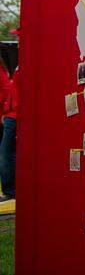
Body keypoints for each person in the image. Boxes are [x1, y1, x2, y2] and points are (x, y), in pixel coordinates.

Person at [0, 62, 14, 201]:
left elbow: (6, 90)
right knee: (7, 154)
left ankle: (9, 191)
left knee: (5, 154)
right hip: (8, 113)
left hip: (10, 115)